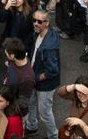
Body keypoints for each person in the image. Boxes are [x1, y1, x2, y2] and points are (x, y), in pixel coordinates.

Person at [26, 8, 61, 139]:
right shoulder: (39, 33)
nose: (36, 23)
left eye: (39, 22)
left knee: (45, 112)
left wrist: (35, 78)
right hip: (35, 76)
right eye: (34, 20)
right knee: (31, 102)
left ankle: (53, 136)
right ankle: (31, 126)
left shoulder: (49, 46)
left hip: (45, 84)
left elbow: (52, 71)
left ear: (47, 23)